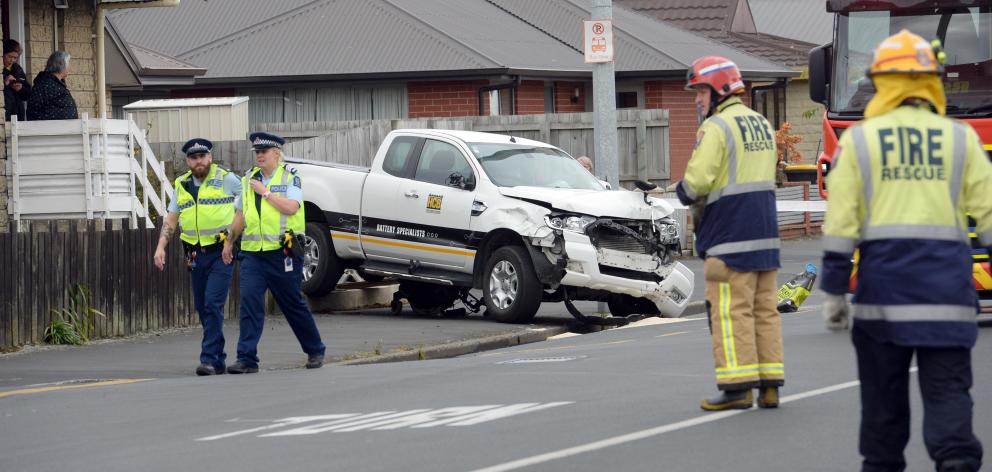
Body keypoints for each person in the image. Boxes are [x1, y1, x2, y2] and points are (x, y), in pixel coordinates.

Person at [820, 30, 991, 472]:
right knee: (950, 397)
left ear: (881, 82)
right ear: (932, 81)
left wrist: (836, 292)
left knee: (882, 408)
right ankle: (956, 462)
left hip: (883, 303)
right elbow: (989, 216)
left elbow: (841, 225)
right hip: (949, 299)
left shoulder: (859, 142)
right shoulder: (962, 140)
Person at [673, 56, 783, 411]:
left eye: (701, 91)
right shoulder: (762, 125)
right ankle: (769, 386)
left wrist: (680, 192)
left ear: (719, 89)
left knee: (730, 312)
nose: (696, 99)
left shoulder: (716, 128)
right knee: (764, 309)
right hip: (765, 235)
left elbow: (697, 183)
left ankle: (736, 388)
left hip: (729, 235)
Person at [222, 132, 325, 373]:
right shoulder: (249, 179)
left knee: (292, 304)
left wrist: (266, 194)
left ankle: (315, 349)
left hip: (283, 252)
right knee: (249, 303)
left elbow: (292, 207)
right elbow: (241, 215)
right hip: (253, 254)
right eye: (256, 152)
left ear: (276, 153)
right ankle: (246, 358)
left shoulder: (291, 177)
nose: (259, 156)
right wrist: (229, 241)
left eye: (264, 152)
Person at [153, 138, 241, 376]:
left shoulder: (226, 179)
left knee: (213, 304)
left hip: (221, 252)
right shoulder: (181, 184)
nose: (198, 161)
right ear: (188, 161)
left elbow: (246, 206)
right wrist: (161, 246)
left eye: (202, 156)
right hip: (194, 254)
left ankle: (209, 359)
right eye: (193, 157)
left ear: (210, 157)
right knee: (203, 307)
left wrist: (231, 239)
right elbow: (171, 219)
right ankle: (219, 358)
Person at [27, 51, 77, 121]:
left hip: (65, 129)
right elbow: (34, 111)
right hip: (49, 130)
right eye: (68, 65)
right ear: (61, 65)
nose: (69, 68)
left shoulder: (57, 83)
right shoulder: (44, 84)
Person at [3, 40, 31, 121]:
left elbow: (28, 93)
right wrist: (5, 83)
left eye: (15, 57)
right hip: (4, 114)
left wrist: (21, 89)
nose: (12, 60)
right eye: (9, 56)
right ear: (3, 54)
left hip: (18, 114)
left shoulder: (18, 69)